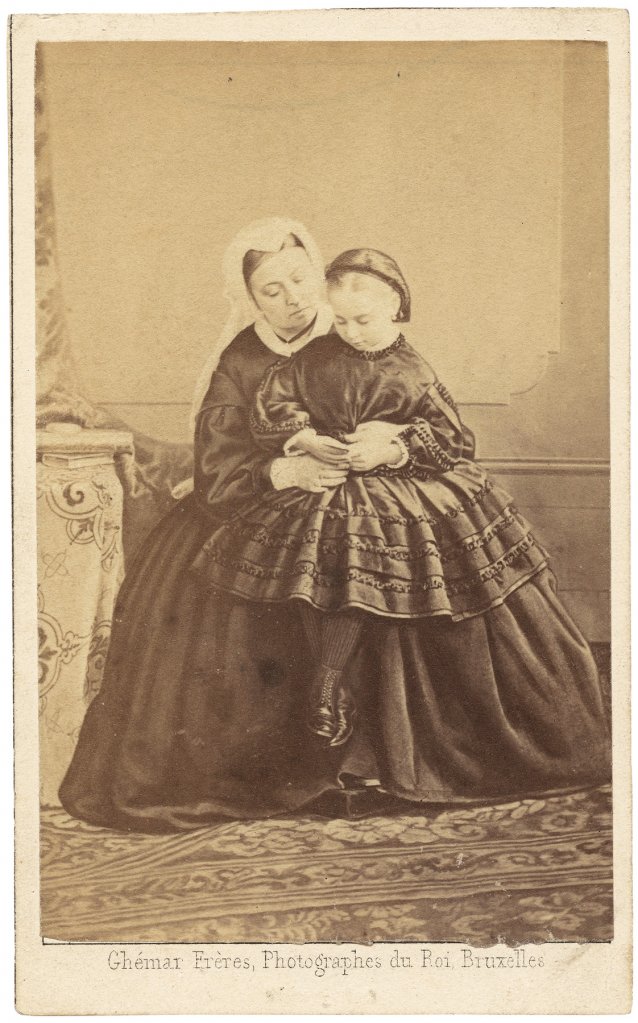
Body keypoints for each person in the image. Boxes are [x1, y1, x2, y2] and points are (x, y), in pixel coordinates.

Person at [192, 248, 611, 795]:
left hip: (400, 491)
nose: (351, 332)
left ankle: (373, 706)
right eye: (340, 319)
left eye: (362, 320)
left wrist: (393, 448)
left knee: (369, 556)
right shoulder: (316, 355)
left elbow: (454, 440)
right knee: (328, 559)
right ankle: (327, 681)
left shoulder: (412, 369)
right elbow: (275, 400)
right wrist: (304, 438)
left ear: (394, 306)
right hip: (326, 480)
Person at [59, 218, 380, 832]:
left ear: (318, 273)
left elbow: (409, 403)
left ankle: (369, 751)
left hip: (363, 498)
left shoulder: (357, 333)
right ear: (251, 298)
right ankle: (283, 755)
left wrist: (381, 445)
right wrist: (283, 474)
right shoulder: (243, 357)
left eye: (298, 279)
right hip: (257, 505)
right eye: (271, 290)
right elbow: (218, 461)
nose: (291, 298)